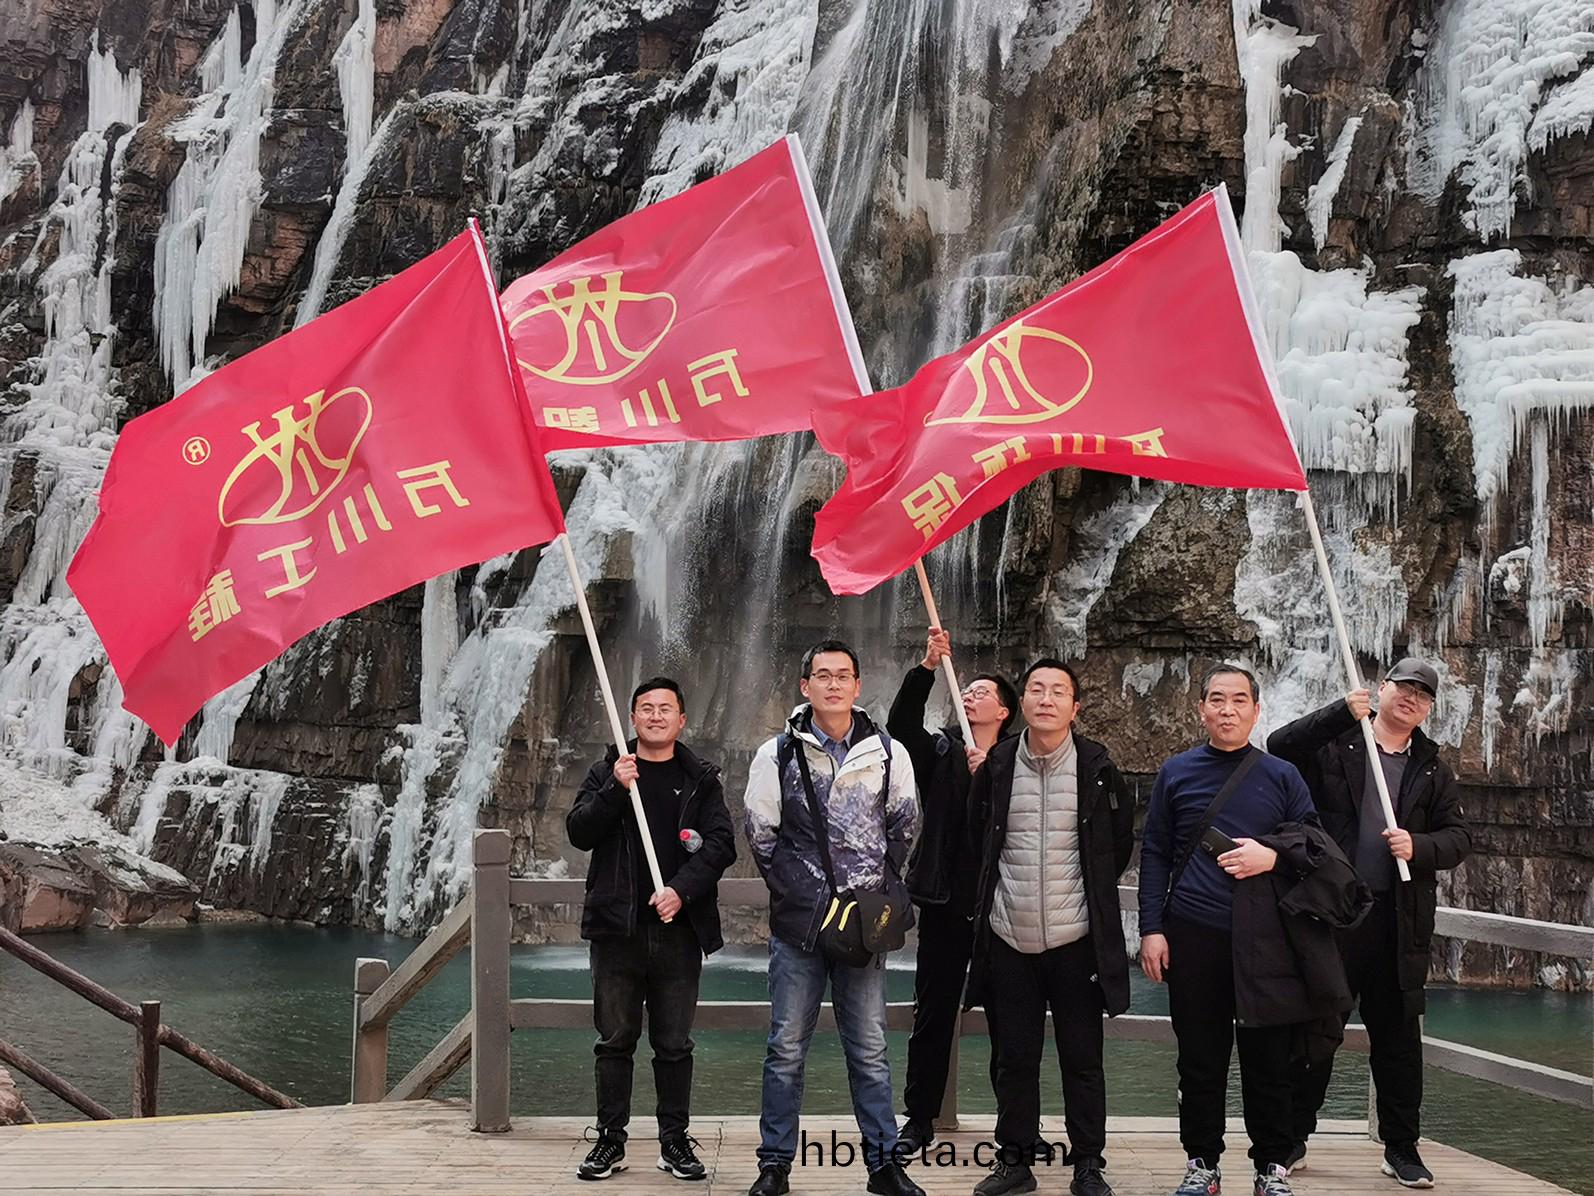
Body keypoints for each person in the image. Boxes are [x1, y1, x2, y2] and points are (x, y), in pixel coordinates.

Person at [1269, 658, 1472, 1188]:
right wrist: (1340, 712)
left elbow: (1459, 838)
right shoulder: (1338, 744)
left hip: (1397, 921)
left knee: (1398, 1037)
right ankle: (1292, 1137)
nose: (1411, 698)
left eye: (1422, 695)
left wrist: (1418, 845)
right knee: (1316, 1029)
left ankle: (1401, 1147)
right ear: (1382, 689)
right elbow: (1279, 745)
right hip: (1335, 913)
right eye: (1403, 687)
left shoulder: (1433, 768)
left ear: (1428, 709)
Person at [743, 639, 923, 1196]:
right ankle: (775, 1164)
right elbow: (761, 834)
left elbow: (904, 827)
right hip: (800, 927)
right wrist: (805, 896)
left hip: (864, 926)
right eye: (822, 675)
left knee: (870, 1048)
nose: (834, 684)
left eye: (843, 675)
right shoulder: (777, 753)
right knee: (785, 1048)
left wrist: (872, 890)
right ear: (806, 686)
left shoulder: (888, 753)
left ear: (858, 685)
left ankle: (884, 1166)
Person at [1137, 664, 1320, 1196]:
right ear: (1201, 708)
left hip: (1266, 939)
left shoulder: (1282, 775)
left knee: (1270, 1059)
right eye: (1217, 699)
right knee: (1200, 1057)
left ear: (1256, 710)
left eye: (1239, 700)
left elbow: (1315, 845)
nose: (1228, 709)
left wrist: (1273, 855)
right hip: (1195, 932)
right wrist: (1151, 928)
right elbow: (1155, 852)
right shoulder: (1176, 772)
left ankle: (1272, 1168)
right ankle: (1202, 1163)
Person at [963, 658, 1134, 1196]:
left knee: (1083, 1061)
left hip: (1075, 938)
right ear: (1023, 703)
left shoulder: (1098, 768)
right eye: (1036, 688)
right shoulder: (997, 765)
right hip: (1009, 935)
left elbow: (1116, 846)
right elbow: (977, 838)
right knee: (1014, 1059)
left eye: (1058, 691)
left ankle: (1088, 1164)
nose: (1046, 699)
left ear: (1074, 707)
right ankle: (1015, 1162)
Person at [566, 677, 737, 1182]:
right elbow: (579, 832)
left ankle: (674, 1142)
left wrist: (680, 890)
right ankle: (609, 1140)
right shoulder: (609, 771)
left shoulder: (701, 779)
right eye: (646, 708)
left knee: (674, 1043)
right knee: (614, 1039)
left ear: (681, 720)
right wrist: (615, 790)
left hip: (678, 930)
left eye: (665, 709)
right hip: (616, 929)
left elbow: (722, 844)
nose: (656, 716)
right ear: (632, 718)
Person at [889, 627, 1017, 1157]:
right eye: (966, 690)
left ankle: (1016, 1125)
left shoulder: (1018, 760)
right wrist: (926, 667)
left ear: (1004, 711)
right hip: (945, 900)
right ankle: (918, 1118)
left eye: (982, 692)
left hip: (1003, 904)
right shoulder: (941, 750)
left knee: (1011, 1019)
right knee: (933, 1012)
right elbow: (900, 726)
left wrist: (993, 776)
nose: (970, 695)